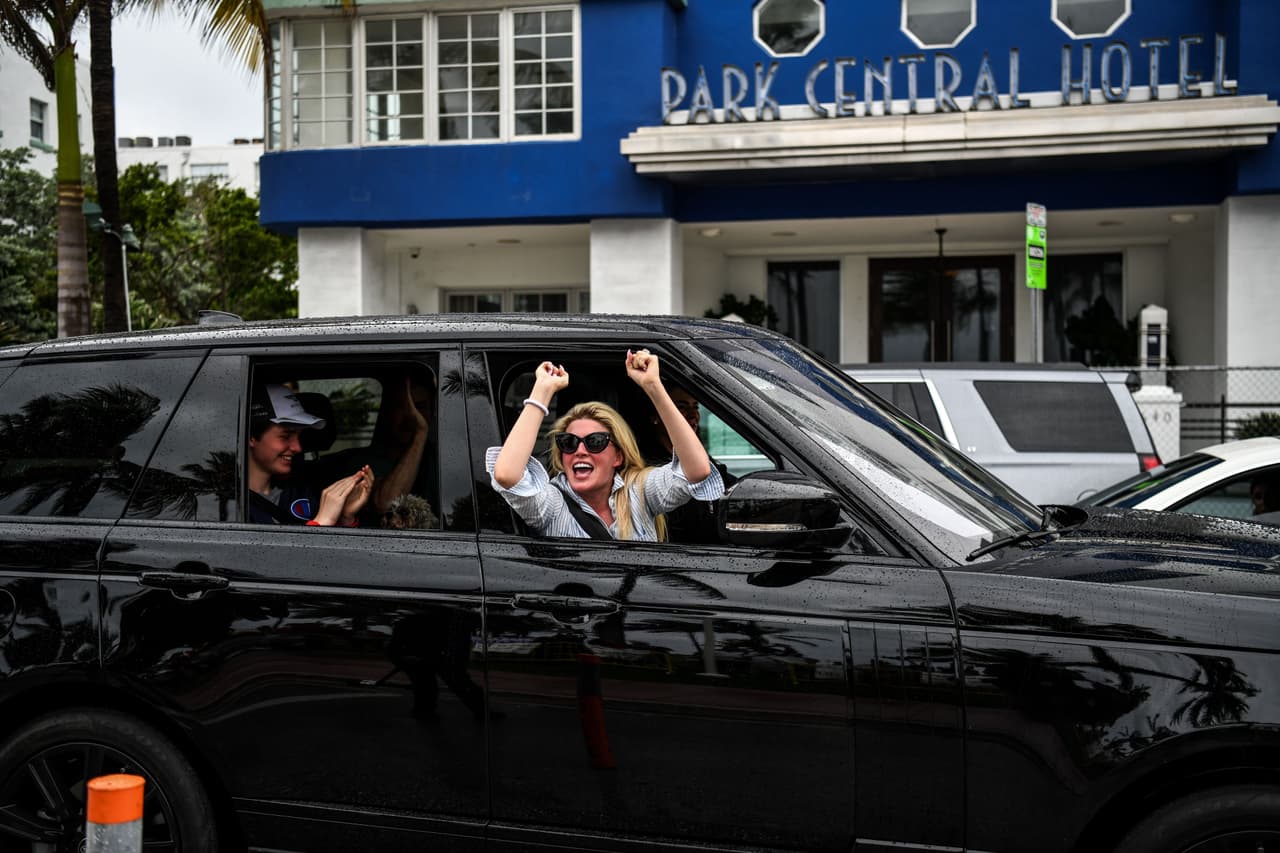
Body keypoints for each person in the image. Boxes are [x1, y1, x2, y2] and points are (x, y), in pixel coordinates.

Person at [487, 349, 723, 540]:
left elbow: (696, 471)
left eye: (595, 442)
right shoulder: (553, 504)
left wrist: (653, 386)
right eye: (568, 443)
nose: (580, 450)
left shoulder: (639, 492)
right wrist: (541, 393)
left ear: (618, 456)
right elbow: (507, 475)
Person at [247, 384, 374, 526]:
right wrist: (320, 524)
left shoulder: (302, 491)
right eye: (285, 436)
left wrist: (345, 518)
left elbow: (333, 547)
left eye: (299, 436)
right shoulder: (227, 502)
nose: (298, 447)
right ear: (251, 436)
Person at [315, 372, 435, 521]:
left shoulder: (442, 458)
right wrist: (420, 432)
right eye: (401, 406)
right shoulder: (361, 464)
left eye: (420, 407)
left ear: (432, 411)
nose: (411, 416)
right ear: (387, 412)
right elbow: (387, 504)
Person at [643, 384, 738, 544]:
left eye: (695, 407)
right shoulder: (649, 473)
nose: (693, 414)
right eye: (681, 407)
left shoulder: (704, 459)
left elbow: (730, 486)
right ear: (655, 416)